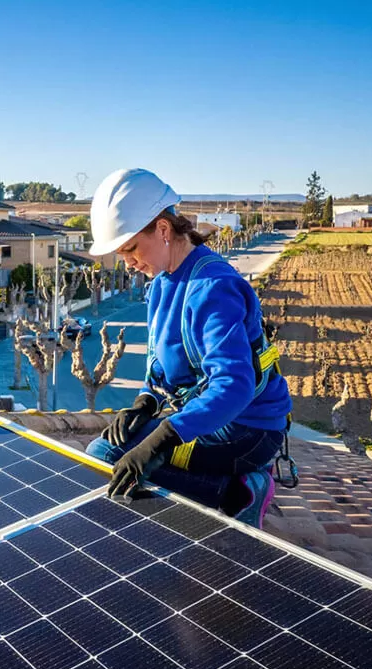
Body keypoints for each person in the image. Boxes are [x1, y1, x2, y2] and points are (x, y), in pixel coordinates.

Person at [85, 169, 292, 528]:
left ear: (163, 230)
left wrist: (162, 439)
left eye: (131, 248)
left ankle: (239, 493)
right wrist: (145, 402)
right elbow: (160, 363)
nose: (128, 262)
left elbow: (234, 386)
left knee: (106, 455)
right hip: (211, 420)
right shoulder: (162, 281)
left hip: (246, 429)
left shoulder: (213, 288)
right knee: (109, 448)